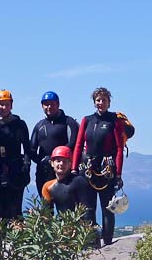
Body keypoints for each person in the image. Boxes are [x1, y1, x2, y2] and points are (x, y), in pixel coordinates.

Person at [72, 87, 126, 246]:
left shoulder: (114, 120)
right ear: (94, 102)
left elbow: (119, 149)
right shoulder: (87, 120)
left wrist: (118, 174)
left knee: (107, 207)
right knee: (88, 207)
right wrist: (74, 168)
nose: (100, 103)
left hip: (106, 169)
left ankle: (108, 242)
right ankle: (92, 242)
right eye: (98, 100)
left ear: (109, 102)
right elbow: (79, 144)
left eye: (104, 100)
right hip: (88, 168)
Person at [29, 91, 79, 198]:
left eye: (52, 103)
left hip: (64, 171)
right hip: (44, 171)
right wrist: (41, 161)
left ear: (58, 104)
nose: (49, 107)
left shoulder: (68, 122)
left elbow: (73, 143)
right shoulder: (39, 125)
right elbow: (31, 149)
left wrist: (58, 159)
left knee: (66, 206)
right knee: (46, 208)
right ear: (42, 106)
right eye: (46, 104)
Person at [0, 90, 32, 220]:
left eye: (6, 104)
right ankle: (0, 239)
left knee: (15, 209)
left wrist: (26, 167)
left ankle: (17, 238)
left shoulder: (19, 124)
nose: (3, 107)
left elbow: (27, 148)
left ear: (11, 105)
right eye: (0, 104)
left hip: (16, 169)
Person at [41, 146, 91, 216]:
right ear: (52, 163)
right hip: (61, 225)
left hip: (80, 225)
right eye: (58, 161)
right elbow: (46, 215)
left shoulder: (79, 181)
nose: (61, 164)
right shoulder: (48, 187)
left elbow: (87, 210)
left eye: (64, 161)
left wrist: (86, 226)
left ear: (70, 164)